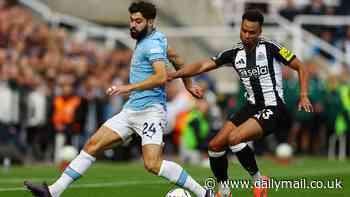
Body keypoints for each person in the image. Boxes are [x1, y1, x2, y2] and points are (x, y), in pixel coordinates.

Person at [24, 2, 214, 197]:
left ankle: (203, 193)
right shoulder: (156, 39)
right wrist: (189, 85)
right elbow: (178, 60)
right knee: (92, 144)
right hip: (131, 110)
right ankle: (53, 192)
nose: (133, 24)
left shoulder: (153, 44)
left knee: (152, 164)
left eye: (138, 21)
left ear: (150, 21)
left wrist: (128, 87)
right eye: (131, 20)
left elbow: (160, 76)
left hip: (151, 112)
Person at [168, 9, 313, 197]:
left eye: (252, 32)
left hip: (273, 107)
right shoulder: (234, 53)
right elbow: (203, 65)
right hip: (251, 106)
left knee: (235, 138)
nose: (246, 35)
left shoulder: (270, 47)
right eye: (244, 30)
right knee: (215, 145)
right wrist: (176, 74)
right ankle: (225, 191)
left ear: (260, 32)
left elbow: (301, 67)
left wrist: (303, 95)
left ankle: (259, 180)